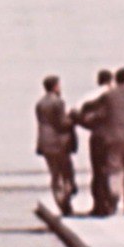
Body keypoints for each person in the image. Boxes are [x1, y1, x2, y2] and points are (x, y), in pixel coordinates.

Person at [81, 68, 124, 216]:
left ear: (116, 79)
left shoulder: (108, 96)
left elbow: (95, 110)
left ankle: (114, 197)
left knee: (114, 169)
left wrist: (86, 116)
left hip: (113, 137)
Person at [74, 69, 115, 216]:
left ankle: (100, 204)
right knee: (116, 171)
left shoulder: (91, 97)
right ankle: (113, 202)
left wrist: (91, 127)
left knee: (98, 172)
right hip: (119, 137)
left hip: (99, 137)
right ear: (112, 80)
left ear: (99, 80)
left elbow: (78, 115)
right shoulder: (119, 95)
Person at [35, 76, 77, 216]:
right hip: (59, 143)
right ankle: (65, 200)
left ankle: (60, 200)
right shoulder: (58, 102)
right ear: (55, 87)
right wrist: (73, 118)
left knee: (54, 174)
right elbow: (62, 123)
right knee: (66, 173)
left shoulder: (40, 103)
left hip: (45, 142)